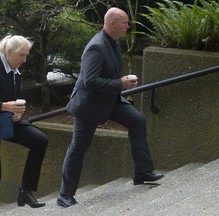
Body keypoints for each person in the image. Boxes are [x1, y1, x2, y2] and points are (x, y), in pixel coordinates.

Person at [57, 7, 164, 208]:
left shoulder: (113, 42)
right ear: (112, 24)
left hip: (109, 99)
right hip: (88, 105)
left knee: (137, 120)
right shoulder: (96, 47)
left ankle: (142, 172)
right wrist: (120, 84)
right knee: (78, 148)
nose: (127, 27)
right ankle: (64, 195)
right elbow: (90, 81)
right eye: (124, 23)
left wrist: (120, 85)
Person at [0, 35, 48, 216]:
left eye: (26, 55)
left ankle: (25, 191)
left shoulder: (15, 71)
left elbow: (11, 100)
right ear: (9, 52)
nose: (25, 60)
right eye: (22, 55)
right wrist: (4, 106)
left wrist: (16, 112)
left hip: (5, 121)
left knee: (39, 140)